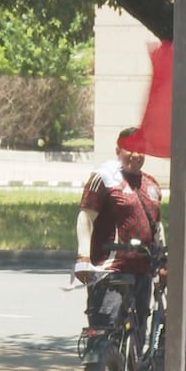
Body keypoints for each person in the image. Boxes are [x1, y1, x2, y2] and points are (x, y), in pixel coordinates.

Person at [74, 127, 164, 336]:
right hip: (110, 272)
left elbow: (157, 226)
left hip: (143, 273)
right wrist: (83, 256)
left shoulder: (152, 185)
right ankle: (102, 367)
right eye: (129, 149)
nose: (135, 155)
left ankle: (135, 368)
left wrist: (162, 263)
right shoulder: (104, 178)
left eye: (140, 150)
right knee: (105, 333)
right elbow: (86, 217)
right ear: (118, 151)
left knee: (138, 333)